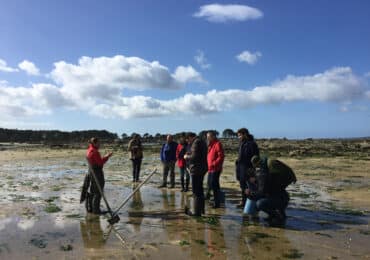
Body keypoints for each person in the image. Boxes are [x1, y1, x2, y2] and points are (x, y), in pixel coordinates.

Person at [246, 155, 294, 223]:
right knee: (268, 198)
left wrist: (250, 193)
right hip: (284, 198)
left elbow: (261, 193)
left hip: (281, 200)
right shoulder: (266, 175)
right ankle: (280, 215)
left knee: (260, 203)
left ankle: (276, 216)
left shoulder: (263, 176)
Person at [86, 137, 113, 214]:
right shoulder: (94, 152)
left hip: (91, 171)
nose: (99, 144)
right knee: (98, 191)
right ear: (94, 143)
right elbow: (100, 163)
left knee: (92, 190)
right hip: (97, 172)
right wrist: (107, 156)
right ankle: (96, 210)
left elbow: (97, 161)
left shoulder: (89, 150)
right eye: (98, 143)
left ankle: (90, 208)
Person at [184, 132, 208, 216]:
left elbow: (194, 157)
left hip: (196, 169)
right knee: (200, 190)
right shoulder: (202, 141)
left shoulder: (196, 142)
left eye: (187, 140)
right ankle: (202, 210)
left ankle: (197, 212)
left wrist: (187, 157)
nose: (188, 142)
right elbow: (199, 155)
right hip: (202, 168)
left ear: (190, 137)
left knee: (196, 191)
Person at [235, 128, 259, 208]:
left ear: (245, 134)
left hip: (249, 169)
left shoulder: (252, 144)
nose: (239, 137)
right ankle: (244, 201)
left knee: (251, 187)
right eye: (238, 136)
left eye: (240, 135)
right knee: (243, 186)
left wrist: (253, 173)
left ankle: (253, 204)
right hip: (241, 168)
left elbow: (256, 159)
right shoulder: (242, 144)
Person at [206, 131, 225, 208]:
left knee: (215, 186)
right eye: (207, 137)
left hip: (215, 169)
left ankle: (217, 203)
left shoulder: (218, 144)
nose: (207, 138)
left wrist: (213, 163)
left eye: (209, 136)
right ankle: (214, 200)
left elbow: (221, 156)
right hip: (210, 169)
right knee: (210, 184)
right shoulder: (210, 145)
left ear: (213, 136)